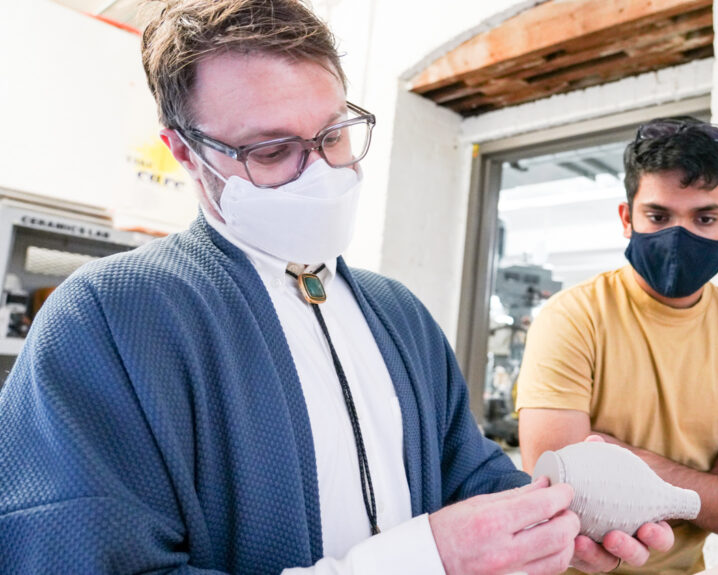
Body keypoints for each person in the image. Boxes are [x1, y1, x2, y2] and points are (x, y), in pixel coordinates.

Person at [0, 1, 673, 573]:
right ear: (185, 151)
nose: (320, 171)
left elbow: (470, 477)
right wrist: (418, 560)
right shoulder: (108, 322)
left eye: (335, 136)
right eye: (271, 151)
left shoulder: (398, 315)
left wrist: (553, 514)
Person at [516, 116, 718, 574]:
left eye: (705, 218)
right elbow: (559, 485)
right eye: (658, 216)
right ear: (625, 217)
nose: (679, 236)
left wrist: (622, 462)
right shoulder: (573, 318)